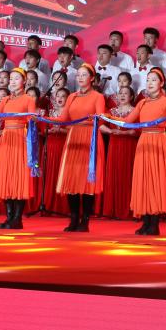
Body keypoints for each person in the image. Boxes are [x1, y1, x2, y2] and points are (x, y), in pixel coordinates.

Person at [120, 68, 166, 235]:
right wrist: (105, 117)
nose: (150, 83)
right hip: (144, 142)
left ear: (161, 83)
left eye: (154, 80)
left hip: (159, 142)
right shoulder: (142, 103)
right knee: (144, 180)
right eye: (148, 80)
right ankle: (145, 221)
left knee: (157, 181)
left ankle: (154, 223)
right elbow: (127, 121)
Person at [56, 63, 107, 232]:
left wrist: (94, 118)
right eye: (78, 75)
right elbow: (63, 119)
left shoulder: (98, 96)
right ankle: (73, 218)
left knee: (87, 181)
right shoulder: (72, 96)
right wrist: (43, 119)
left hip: (90, 138)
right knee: (72, 179)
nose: (80, 78)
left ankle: (85, 219)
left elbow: (100, 118)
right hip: (74, 138)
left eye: (84, 75)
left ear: (91, 78)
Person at [0, 68, 39, 229]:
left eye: (16, 78)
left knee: (19, 176)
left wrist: (34, 118)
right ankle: (9, 217)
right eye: (11, 79)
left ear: (24, 81)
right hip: (6, 138)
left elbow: (32, 120)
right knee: (6, 176)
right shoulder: (6, 100)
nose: (13, 81)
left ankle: (17, 218)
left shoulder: (28, 99)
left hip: (20, 138)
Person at [99, 86, 137, 221]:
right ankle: (112, 209)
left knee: (128, 174)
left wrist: (124, 133)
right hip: (114, 145)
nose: (122, 95)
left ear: (131, 97)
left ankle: (129, 209)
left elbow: (137, 130)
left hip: (129, 146)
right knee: (114, 173)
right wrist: (111, 131)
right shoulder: (111, 111)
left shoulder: (135, 111)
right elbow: (100, 125)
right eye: (120, 93)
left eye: (126, 93)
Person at [39, 87, 70, 216]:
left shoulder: (70, 113)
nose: (60, 98)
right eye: (58, 96)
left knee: (62, 175)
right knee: (49, 174)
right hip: (50, 146)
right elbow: (42, 130)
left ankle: (62, 207)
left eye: (63, 96)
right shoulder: (49, 113)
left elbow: (73, 129)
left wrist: (61, 130)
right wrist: (48, 130)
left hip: (64, 146)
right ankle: (47, 204)